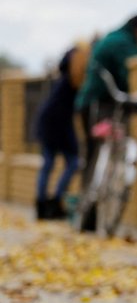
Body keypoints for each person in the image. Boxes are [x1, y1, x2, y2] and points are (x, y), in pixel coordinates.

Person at [75, 15, 137, 191]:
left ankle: (88, 203)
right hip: (100, 103)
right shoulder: (124, 43)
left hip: (93, 101)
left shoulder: (115, 37)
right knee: (98, 153)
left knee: (93, 155)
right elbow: (132, 70)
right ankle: (91, 203)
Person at [34, 40, 90, 220]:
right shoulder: (73, 78)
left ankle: (46, 204)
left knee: (52, 164)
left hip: (53, 122)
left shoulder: (66, 76)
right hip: (56, 124)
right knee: (68, 162)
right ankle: (51, 203)